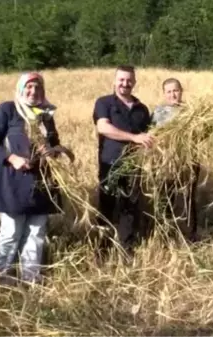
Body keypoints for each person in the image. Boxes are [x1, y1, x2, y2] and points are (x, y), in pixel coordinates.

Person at [0, 72, 63, 285]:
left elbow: (55, 146)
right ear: (20, 88)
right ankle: (5, 281)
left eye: (38, 88)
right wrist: (11, 157)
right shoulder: (7, 111)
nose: (33, 92)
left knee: (36, 234)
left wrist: (50, 151)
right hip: (11, 183)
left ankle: (30, 279)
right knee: (11, 233)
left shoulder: (46, 115)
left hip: (41, 184)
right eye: (29, 87)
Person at [92, 65, 154, 258]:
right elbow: (103, 128)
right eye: (121, 80)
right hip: (110, 164)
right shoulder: (104, 103)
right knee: (107, 206)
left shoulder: (141, 109)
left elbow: (149, 135)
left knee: (130, 207)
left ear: (134, 82)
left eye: (129, 80)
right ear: (114, 81)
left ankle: (127, 249)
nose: (125, 84)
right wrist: (134, 138)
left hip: (133, 165)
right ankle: (102, 249)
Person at [151, 78, 200, 242]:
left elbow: (201, 134)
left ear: (181, 91)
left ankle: (190, 235)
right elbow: (151, 136)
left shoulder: (192, 111)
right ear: (164, 94)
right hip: (166, 163)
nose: (173, 94)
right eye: (169, 91)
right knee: (165, 197)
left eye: (175, 90)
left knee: (188, 197)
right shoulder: (158, 113)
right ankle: (165, 234)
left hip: (189, 162)